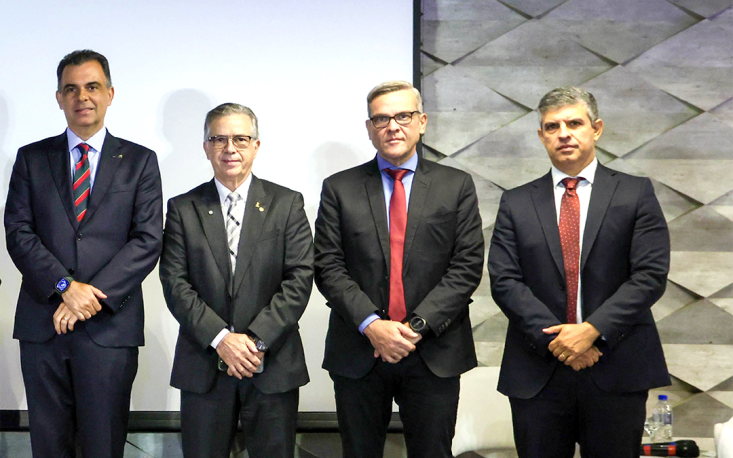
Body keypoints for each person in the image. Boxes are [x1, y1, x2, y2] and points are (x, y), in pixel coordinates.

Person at [488, 86, 671, 458]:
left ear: (596, 129)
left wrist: (590, 331)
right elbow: (505, 281)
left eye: (574, 123)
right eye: (551, 126)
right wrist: (562, 342)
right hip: (538, 371)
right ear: (541, 136)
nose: (563, 134)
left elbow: (650, 275)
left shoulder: (635, 193)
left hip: (615, 365)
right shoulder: (516, 202)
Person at [4, 49, 163, 458]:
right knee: (49, 445)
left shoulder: (140, 162)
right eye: (71, 89)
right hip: (44, 326)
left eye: (92, 86)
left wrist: (86, 297)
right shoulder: (31, 158)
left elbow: (147, 240)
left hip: (109, 328)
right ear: (59, 97)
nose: (82, 97)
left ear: (110, 93)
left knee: (103, 445)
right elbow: (18, 232)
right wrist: (64, 286)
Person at [314, 80, 484, 458]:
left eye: (403, 116)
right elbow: (327, 266)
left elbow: (467, 266)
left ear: (422, 122)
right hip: (360, 350)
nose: (392, 126)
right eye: (381, 119)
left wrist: (414, 328)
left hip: (434, 350)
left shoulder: (455, 185)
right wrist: (373, 326)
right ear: (369, 128)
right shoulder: (339, 188)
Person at [159, 103, 313, 458]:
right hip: (204, 367)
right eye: (219, 139)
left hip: (272, 366)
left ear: (256, 146)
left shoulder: (287, 203)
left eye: (241, 139)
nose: (230, 148)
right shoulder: (183, 208)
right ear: (206, 147)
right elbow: (175, 282)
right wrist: (221, 339)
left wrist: (254, 342)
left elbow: (300, 278)